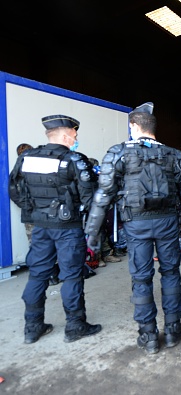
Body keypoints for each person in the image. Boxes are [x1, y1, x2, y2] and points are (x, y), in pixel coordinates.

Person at [84, 102, 181, 354]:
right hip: (168, 223)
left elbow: (103, 194)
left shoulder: (118, 152)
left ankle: (148, 336)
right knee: (170, 274)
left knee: (141, 278)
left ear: (134, 126)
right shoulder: (175, 155)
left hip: (136, 225)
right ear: (154, 128)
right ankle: (172, 330)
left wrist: (91, 233)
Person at [9, 114, 102, 344]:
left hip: (40, 227)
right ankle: (75, 326)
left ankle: (32, 328)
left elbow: (14, 189)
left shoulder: (27, 158)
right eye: (74, 135)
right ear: (64, 135)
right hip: (67, 227)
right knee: (71, 276)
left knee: (37, 275)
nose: (75, 138)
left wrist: (35, 211)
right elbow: (90, 197)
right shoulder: (74, 160)